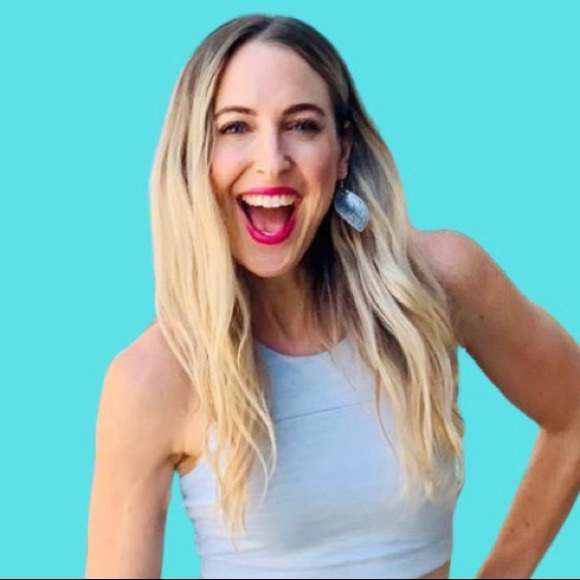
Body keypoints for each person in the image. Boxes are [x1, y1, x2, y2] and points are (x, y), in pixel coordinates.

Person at [85, 14, 580, 580]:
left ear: (343, 151)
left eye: (302, 125)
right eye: (235, 127)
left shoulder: (437, 284)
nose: (272, 161)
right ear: (195, 157)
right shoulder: (154, 378)